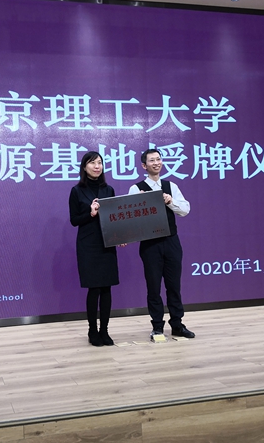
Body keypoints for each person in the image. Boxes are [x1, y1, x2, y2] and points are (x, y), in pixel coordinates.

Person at [128, 148, 195, 340]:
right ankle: (157, 326)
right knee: (153, 287)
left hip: (171, 241)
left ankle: (177, 324)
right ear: (144, 165)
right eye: (152, 160)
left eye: (158, 159)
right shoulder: (136, 189)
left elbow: (185, 210)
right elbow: (130, 220)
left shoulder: (171, 186)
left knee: (174, 286)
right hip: (150, 245)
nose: (156, 163)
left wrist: (170, 201)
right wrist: (140, 203)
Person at [69, 151, 119, 347]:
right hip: (88, 244)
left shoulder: (109, 189)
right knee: (94, 288)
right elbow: (74, 220)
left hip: (107, 243)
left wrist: (121, 235)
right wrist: (90, 214)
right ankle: (92, 330)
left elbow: (115, 217)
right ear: (84, 167)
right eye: (92, 163)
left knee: (107, 288)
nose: (97, 166)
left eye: (99, 163)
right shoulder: (76, 191)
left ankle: (104, 330)